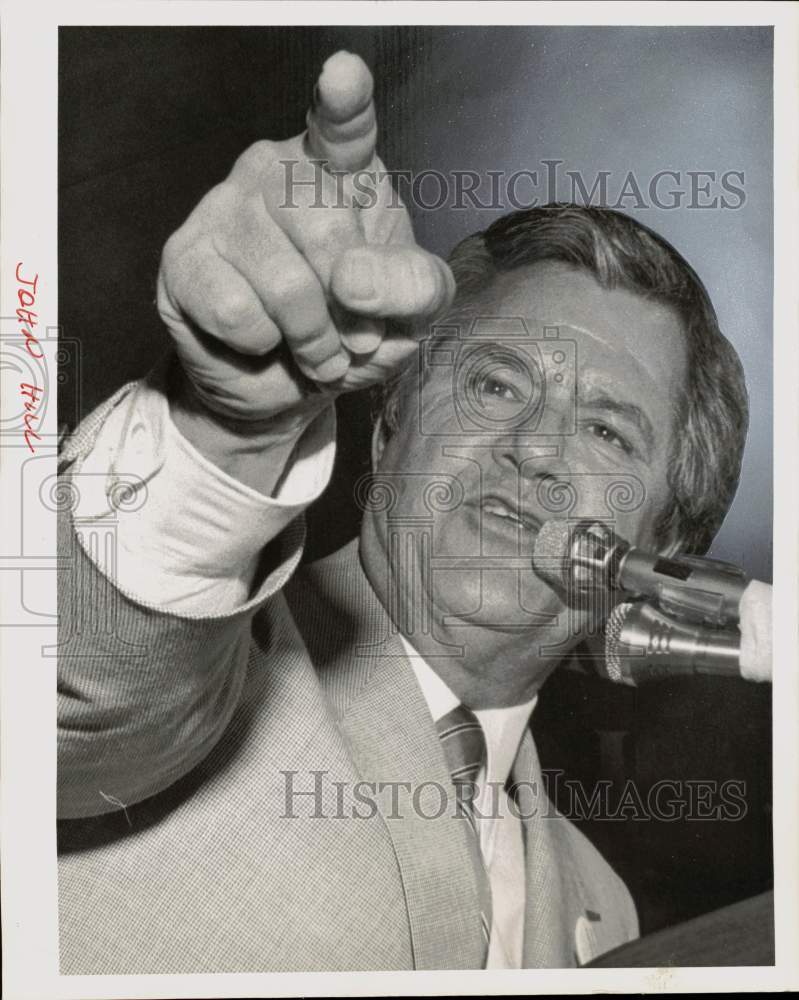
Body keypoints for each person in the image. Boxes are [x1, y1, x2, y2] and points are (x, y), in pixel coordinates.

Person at [56, 51, 749, 972]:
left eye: (607, 434)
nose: (535, 449)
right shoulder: (203, 677)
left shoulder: (604, 912)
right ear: (388, 431)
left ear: (658, 547)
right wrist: (227, 437)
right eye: (496, 383)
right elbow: (75, 699)